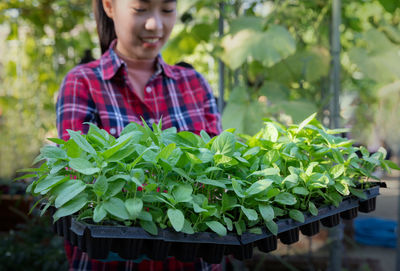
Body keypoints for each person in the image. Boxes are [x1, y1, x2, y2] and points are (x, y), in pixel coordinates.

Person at [56, 0, 223, 270]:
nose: (155, 24)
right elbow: (80, 180)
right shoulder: (82, 82)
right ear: (109, 6)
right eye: (140, 9)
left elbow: (218, 174)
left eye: (167, 10)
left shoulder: (194, 83)